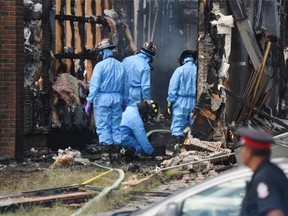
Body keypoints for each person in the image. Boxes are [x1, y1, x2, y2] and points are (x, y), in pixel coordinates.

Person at [85, 38, 127, 163]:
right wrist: (124, 100)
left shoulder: (100, 66)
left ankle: (106, 156)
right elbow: (126, 85)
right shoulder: (121, 66)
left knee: (103, 126)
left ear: (103, 52)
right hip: (117, 98)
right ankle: (116, 156)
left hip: (102, 98)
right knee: (116, 125)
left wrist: (89, 102)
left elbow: (95, 86)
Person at [237, 127, 288, 216]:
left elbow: (275, 213)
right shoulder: (270, 171)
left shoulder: (264, 178)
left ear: (249, 151)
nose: (241, 152)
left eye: (242, 147)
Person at [167, 50, 197, 150]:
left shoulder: (179, 70)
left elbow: (173, 88)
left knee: (177, 126)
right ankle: (194, 149)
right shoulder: (198, 70)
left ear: (183, 59)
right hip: (194, 102)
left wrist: (170, 101)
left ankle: (177, 149)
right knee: (195, 126)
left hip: (180, 102)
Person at [122, 41, 157, 107]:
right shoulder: (146, 66)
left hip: (123, 92)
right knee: (134, 114)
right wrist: (148, 101)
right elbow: (145, 87)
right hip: (136, 96)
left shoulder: (126, 60)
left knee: (124, 115)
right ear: (151, 56)